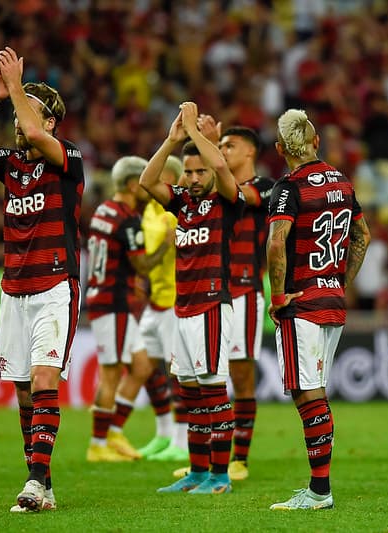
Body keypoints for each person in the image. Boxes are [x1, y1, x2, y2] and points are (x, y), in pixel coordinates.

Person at [0, 46, 85, 512]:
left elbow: (29, 125)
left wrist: (19, 90)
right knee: (25, 393)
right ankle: (44, 484)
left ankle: (33, 480)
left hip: (54, 285)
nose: (17, 120)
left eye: (28, 111)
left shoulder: (67, 157)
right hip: (14, 289)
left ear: (49, 123)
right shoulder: (11, 165)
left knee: (47, 381)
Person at [267, 109, 370, 510]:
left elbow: (278, 242)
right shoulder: (342, 182)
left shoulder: (288, 187)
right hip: (332, 301)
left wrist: (278, 297)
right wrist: (341, 282)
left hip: (302, 302)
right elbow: (363, 234)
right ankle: (318, 488)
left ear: (279, 149)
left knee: (308, 394)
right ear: (316, 142)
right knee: (314, 391)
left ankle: (320, 491)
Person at [140, 101, 245, 495]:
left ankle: (220, 476)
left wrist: (198, 135)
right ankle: (198, 472)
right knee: (189, 391)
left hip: (212, 306)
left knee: (213, 388)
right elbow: (147, 182)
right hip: (181, 309)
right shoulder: (182, 204)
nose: (195, 177)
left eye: (200, 171)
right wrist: (171, 141)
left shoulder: (227, 202)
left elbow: (222, 168)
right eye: (189, 172)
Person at [185, 116, 274, 482]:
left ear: (250, 151)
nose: (223, 151)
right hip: (211, 290)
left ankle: (240, 459)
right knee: (207, 376)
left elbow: (238, 194)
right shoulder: (211, 187)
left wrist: (209, 143)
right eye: (220, 147)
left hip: (244, 290)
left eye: (229, 145)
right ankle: (205, 461)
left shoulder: (266, 187)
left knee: (240, 374)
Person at [85, 155, 172, 462]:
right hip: (114, 302)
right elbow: (142, 266)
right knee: (111, 374)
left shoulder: (103, 211)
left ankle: (114, 433)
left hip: (102, 296)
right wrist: (166, 245)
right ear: (134, 184)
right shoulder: (127, 218)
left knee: (143, 364)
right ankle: (98, 443)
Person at [136, 155, 191, 462]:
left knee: (176, 374)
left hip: (172, 302)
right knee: (143, 367)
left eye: (164, 176)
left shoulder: (174, 215)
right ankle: (163, 433)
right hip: (153, 302)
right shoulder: (148, 212)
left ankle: (181, 441)